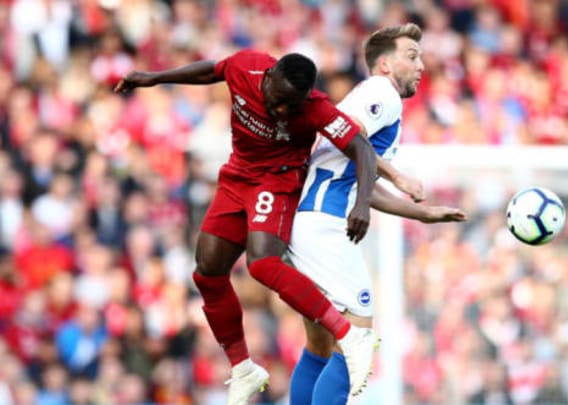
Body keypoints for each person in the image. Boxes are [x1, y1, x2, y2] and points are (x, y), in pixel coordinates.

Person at [114, 51, 384, 405]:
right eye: (280, 100)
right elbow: (211, 72)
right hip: (237, 177)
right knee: (207, 273)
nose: (284, 111)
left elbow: (361, 149)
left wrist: (363, 202)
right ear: (268, 77)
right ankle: (243, 369)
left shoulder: (315, 107)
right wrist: (156, 77)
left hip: (278, 181)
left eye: (293, 105)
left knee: (261, 263)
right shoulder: (245, 66)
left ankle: (350, 335)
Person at [286, 23, 466, 404]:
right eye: (411, 56)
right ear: (384, 65)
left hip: (309, 219)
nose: (421, 66)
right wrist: (400, 177)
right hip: (325, 225)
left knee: (321, 342)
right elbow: (350, 139)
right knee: (359, 341)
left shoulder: (369, 97)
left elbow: (356, 171)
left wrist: (422, 214)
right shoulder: (383, 94)